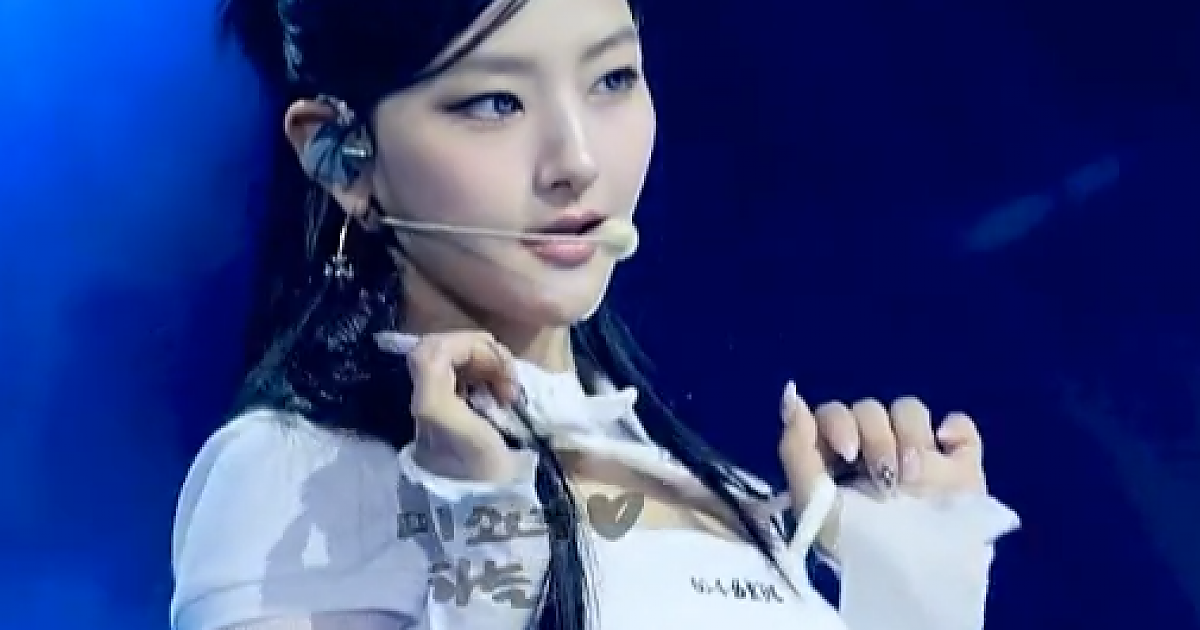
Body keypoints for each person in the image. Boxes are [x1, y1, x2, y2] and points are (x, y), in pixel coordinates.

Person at [169, 0, 1020, 628]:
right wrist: (486, 550)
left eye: (612, 78)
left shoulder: (714, 484)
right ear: (340, 154)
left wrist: (913, 597)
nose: (576, 160)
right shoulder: (296, 480)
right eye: (495, 102)